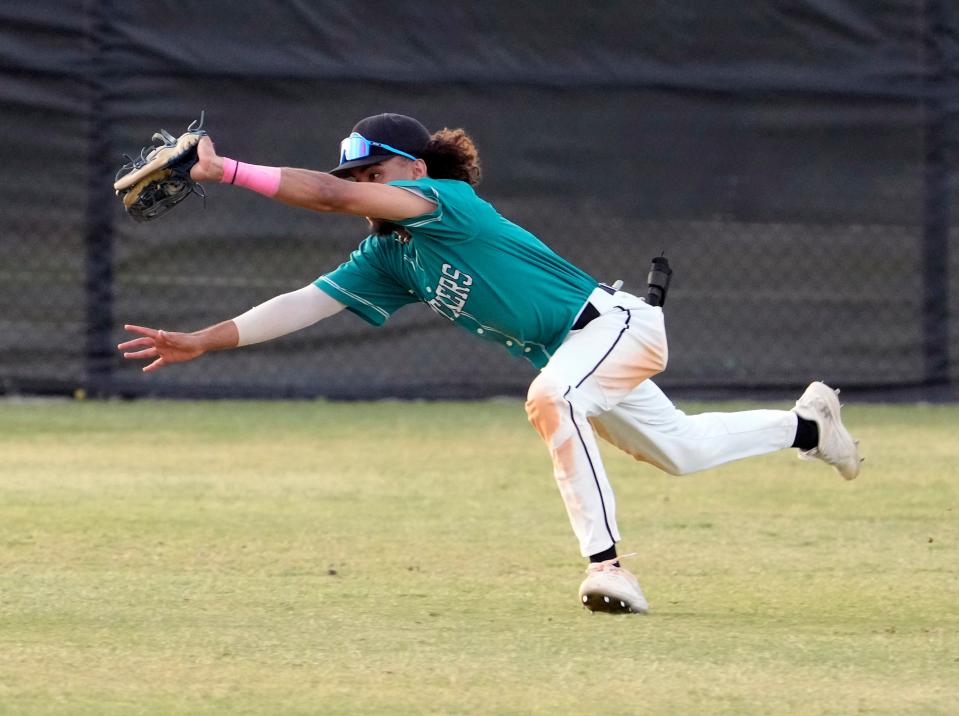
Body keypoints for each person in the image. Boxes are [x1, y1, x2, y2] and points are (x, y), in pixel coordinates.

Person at [117, 113, 862, 614]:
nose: (361, 188)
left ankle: (607, 569)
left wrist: (229, 171)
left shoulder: (444, 201)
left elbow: (329, 195)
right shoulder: (389, 256)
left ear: (409, 169)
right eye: (359, 176)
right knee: (681, 451)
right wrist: (201, 340)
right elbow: (303, 303)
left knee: (551, 400)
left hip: (613, 326)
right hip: (580, 350)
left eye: (373, 174)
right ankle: (806, 427)